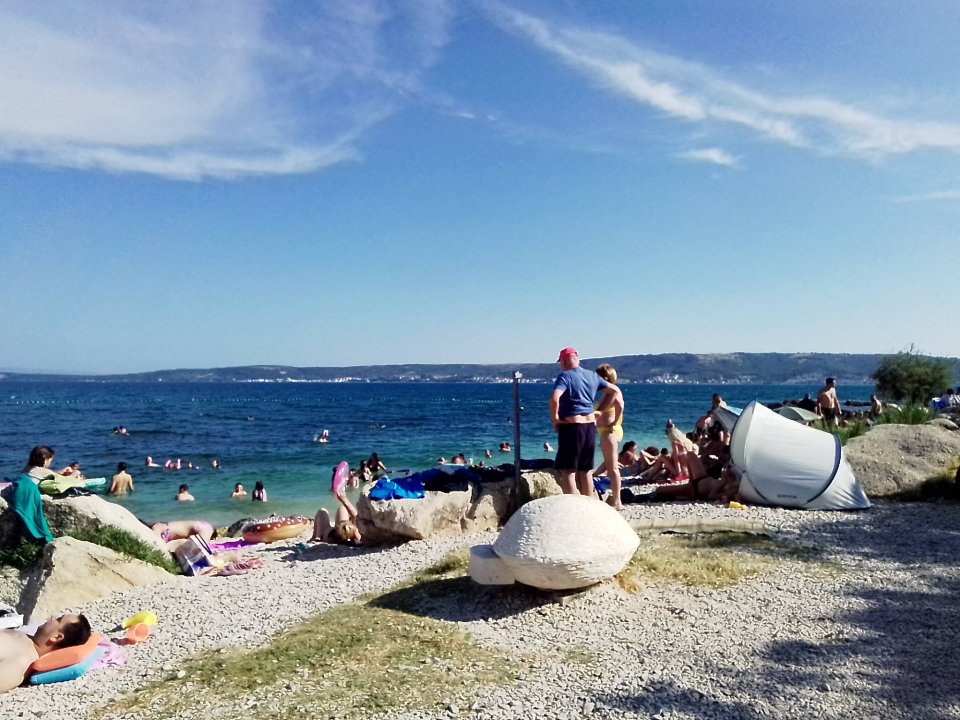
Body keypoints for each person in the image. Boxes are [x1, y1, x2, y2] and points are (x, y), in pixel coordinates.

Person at [549, 347, 623, 496]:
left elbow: (554, 398)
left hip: (572, 427)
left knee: (568, 472)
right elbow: (614, 391)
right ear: (577, 359)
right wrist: (600, 411)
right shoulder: (592, 375)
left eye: (561, 362)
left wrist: (555, 419)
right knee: (585, 471)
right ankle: (589, 505)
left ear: (564, 361)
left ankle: (574, 505)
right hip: (589, 426)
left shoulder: (565, 376)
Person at [0, 613, 92, 693]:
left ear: (56, 637)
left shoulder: (22, 662)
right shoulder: (27, 641)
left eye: (58, 619)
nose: (52, 617)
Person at [594, 364, 625, 509]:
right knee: (610, 466)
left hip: (609, 431)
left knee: (612, 468)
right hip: (606, 431)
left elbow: (620, 406)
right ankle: (615, 498)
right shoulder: (607, 393)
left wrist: (614, 421)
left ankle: (617, 500)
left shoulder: (614, 391)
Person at [148, 520, 215, 545]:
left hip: (165, 528)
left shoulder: (200, 523)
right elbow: (202, 546)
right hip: (164, 531)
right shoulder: (208, 527)